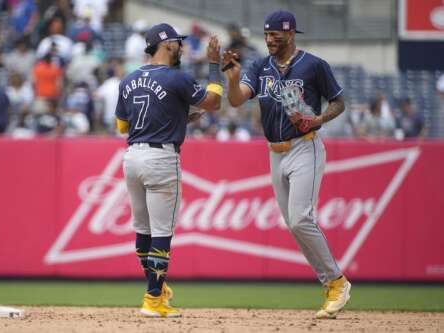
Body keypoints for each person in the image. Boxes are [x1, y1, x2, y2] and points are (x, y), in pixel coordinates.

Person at [223, 10, 351, 319]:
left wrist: (318, 119)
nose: (269, 40)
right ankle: (331, 283)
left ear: (290, 35)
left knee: (299, 219)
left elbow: (339, 101)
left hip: (305, 147)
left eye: (275, 36)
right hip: (274, 152)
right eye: (267, 35)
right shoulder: (259, 66)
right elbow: (238, 100)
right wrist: (231, 78)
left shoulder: (313, 65)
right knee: (294, 223)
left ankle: (337, 283)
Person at [115, 23, 222, 317]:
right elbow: (213, 103)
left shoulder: (128, 79)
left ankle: (157, 287)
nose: (181, 46)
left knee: (143, 231)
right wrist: (214, 66)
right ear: (165, 45)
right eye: (177, 42)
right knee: (161, 233)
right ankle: (153, 299)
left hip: (132, 158)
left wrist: (174, 118)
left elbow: (123, 126)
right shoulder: (177, 78)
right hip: (161, 159)